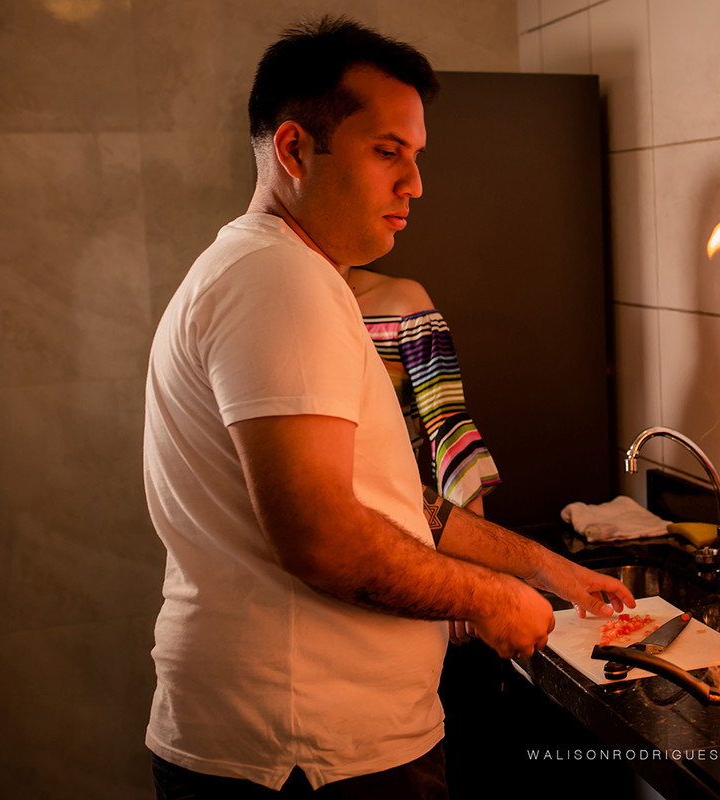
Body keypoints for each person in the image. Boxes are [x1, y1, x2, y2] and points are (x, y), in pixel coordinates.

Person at [142, 16, 634, 799]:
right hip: (305, 754)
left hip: (304, 744)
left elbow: (402, 508)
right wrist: (490, 598)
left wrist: (546, 569)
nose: (415, 184)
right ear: (296, 150)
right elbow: (322, 537)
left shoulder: (284, 274)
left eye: (416, 156)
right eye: (387, 152)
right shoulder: (280, 280)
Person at [348, 269, 498, 516]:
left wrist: (476, 541)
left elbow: (446, 423)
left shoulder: (401, 303)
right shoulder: (280, 297)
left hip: (389, 508)